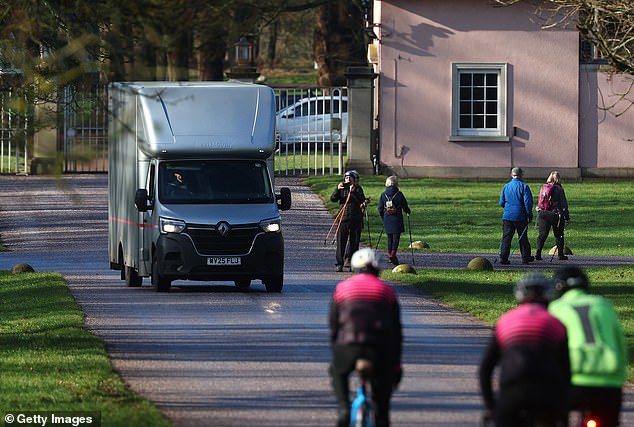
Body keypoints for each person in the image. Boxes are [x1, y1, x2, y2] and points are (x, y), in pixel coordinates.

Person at [479, 273, 570, 427]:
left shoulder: (505, 321)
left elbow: (485, 370)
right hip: (546, 394)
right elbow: (566, 369)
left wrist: (490, 406)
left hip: (513, 391)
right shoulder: (554, 323)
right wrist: (563, 406)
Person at [329, 248, 403, 427]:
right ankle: (382, 417)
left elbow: (334, 325)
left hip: (349, 347)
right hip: (379, 348)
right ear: (378, 269)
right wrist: (396, 363)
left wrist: (336, 348)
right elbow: (397, 331)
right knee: (383, 393)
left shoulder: (342, 289)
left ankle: (344, 408)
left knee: (337, 372)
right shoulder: (387, 291)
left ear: (356, 268)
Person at [549, 266, 627, 427]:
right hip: (608, 378)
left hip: (573, 378)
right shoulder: (604, 305)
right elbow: (620, 343)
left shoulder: (556, 309)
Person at [331, 170, 367, 272]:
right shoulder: (342, 188)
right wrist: (337, 190)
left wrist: (354, 191)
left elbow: (361, 200)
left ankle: (353, 263)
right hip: (343, 219)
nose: (347, 179)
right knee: (341, 242)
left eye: (349, 177)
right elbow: (333, 199)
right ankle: (339, 263)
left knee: (354, 243)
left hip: (355, 219)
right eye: (346, 177)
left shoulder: (358, 188)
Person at [499, 167, 534, 264]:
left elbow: (501, 202)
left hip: (507, 216)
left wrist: (507, 208)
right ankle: (525, 257)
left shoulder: (506, 186)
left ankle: (503, 257)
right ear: (521, 175)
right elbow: (528, 203)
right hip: (520, 216)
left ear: (511, 175)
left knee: (506, 237)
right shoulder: (524, 186)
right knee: (523, 237)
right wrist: (529, 215)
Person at [535, 171, 571, 261]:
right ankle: (560, 255)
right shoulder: (559, 189)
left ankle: (538, 253)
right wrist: (567, 217)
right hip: (555, 214)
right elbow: (563, 204)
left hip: (543, 213)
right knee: (559, 235)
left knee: (542, 235)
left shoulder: (544, 187)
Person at [378, 175, 411, 265]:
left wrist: (383, 217)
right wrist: (408, 211)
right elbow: (405, 206)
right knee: (396, 238)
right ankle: (393, 253)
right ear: (396, 183)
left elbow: (380, 208)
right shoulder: (399, 194)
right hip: (397, 218)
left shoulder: (383, 194)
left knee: (389, 238)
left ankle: (389, 255)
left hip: (387, 218)